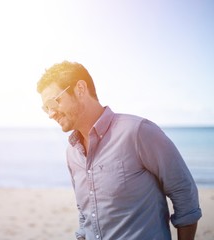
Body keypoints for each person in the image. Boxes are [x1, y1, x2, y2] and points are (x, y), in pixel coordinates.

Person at [36, 61, 202, 240]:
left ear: (80, 89)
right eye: (46, 108)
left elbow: (184, 193)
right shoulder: (72, 153)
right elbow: (85, 213)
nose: (51, 114)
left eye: (54, 103)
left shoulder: (138, 132)